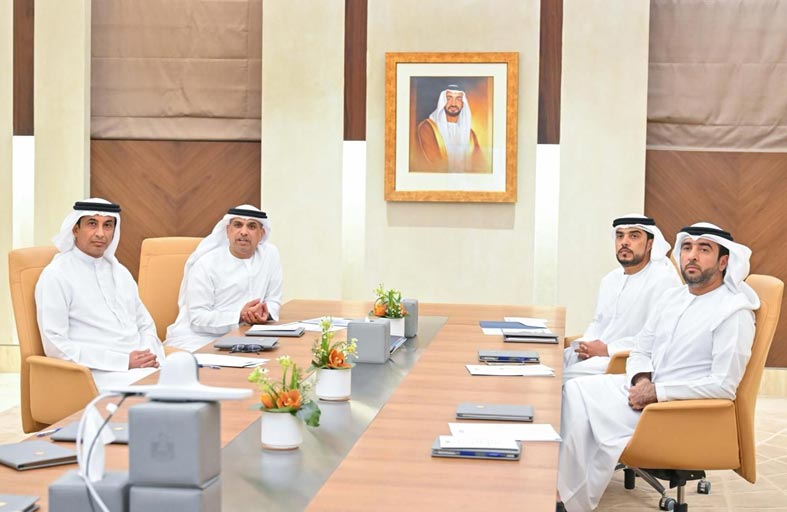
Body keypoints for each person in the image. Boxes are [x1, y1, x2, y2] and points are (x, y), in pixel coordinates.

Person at [557, 222, 759, 512]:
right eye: (687, 248)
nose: (692, 256)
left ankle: (566, 498)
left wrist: (656, 392)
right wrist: (641, 380)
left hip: (674, 410)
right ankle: (562, 490)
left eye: (704, 250)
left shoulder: (733, 313)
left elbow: (723, 386)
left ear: (723, 261)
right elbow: (642, 348)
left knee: (583, 410)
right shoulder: (673, 298)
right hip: (643, 391)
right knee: (572, 391)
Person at [35, 199, 165, 390]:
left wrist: (148, 355)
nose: (100, 233)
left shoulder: (120, 272)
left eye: (108, 225)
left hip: (139, 367)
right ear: (75, 229)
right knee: (166, 391)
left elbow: (144, 324)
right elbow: (55, 344)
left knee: (192, 379)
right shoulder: (56, 275)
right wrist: (123, 361)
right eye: (92, 224)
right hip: (95, 372)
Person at [563, 215, 681, 382]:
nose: (624, 242)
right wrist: (585, 345)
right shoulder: (610, 279)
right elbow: (598, 322)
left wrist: (607, 349)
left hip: (625, 359)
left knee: (560, 380)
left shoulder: (663, 280)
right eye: (620, 236)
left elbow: (658, 337)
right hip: (596, 354)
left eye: (634, 236)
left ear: (650, 244)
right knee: (550, 363)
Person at [165, 205, 283, 352]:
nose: (244, 232)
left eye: (252, 226)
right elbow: (198, 319)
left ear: (262, 233)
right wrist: (239, 316)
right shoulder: (205, 264)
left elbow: (273, 300)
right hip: (202, 339)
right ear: (228, 230)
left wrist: (263, 313)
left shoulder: (270, 255)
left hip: (250, 335)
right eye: (238, 225)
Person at [414, 85, 486, 173]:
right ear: (443, 101)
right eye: (449, 98)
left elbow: (479, 164)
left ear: (463, 103)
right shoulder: (427, 127)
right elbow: (433, 164)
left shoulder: (470, 135)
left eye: (458, 98)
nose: (453, 104)